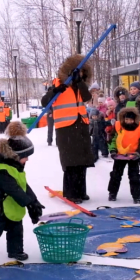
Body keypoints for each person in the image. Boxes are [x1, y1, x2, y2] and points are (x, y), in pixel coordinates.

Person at [0, 122, 45, 266]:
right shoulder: (1, 169)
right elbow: (14, 190)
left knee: (16, 227)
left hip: (8, 206)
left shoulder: (15, 167)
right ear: (16, 156)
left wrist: (34, 202)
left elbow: (23, 186)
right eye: (26, 156)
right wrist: (28, 203)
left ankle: (15, 250)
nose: (27, 159)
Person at [41, 54, 94, 204]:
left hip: (81, 125)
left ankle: (81, 191)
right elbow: (45, 101)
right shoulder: (58, 84)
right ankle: (71, 193)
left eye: (83, 71)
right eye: (77, 71)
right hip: (66, 129)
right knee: (71, 162)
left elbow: (86, 97)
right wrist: (56, 91)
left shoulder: (80, 85)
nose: (80, 74)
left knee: (82, 161)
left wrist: (80, 82)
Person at [107, 107, 140, 203]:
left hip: (134, 155)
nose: (128, 121)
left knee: (134, 176)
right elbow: (112, 138)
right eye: (126, 119)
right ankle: (112, 193)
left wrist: (139, 152)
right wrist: (113, 150)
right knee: (115, 175)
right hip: (119, 155)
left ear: (135, 119)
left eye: (130, 119)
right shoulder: (117, 125)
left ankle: (136, 196)